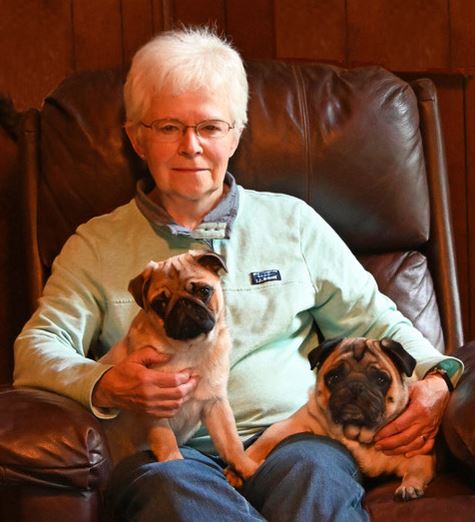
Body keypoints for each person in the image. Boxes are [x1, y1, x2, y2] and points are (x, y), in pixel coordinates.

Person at [14, 27, 463, 521]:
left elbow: (378, 322)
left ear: (236, 134)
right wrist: (103, 382)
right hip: (168, 455)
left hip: (294, 439)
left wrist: (439, 377)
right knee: (175, 495)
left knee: (316, 478)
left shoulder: (293, 223)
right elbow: (36, 349)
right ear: (136, 138)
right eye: (167, 127)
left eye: (210, 127)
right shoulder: (95, 244)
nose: (190, 146)